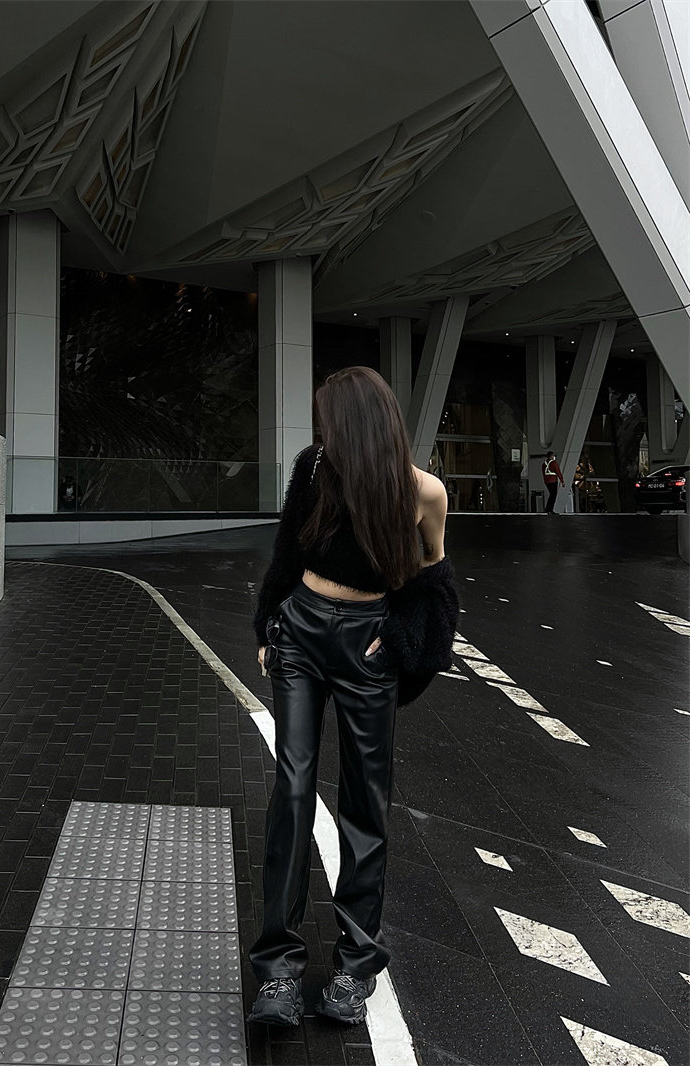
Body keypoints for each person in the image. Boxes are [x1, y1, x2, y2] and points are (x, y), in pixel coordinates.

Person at [248, 367, 458, 1028]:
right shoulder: (314, 468)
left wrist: (399, 645)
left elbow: (435, 586)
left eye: (329, 421)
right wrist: (268, 627)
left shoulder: (423, 492)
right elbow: (286, 553)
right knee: (292, 787)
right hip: (302, 633)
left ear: (359, 424)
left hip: (368, 643)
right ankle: (277, 969)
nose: (322, 433)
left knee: (365, 801)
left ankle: (354, 966)